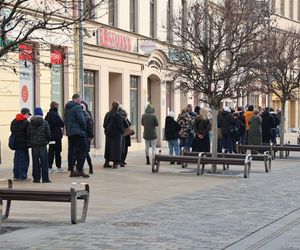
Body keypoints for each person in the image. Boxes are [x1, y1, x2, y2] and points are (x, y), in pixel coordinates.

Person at [64, 94, 89, 178]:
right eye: (80, 99)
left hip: (70, 132)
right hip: (78, 132)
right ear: (77, 99)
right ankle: (80, 169)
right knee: (83, 150)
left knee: (71, 151)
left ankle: (72, 170)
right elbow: (82, 120)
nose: (80, 101)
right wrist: (84, 129)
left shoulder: (67, 108)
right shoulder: (77, 107)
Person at [28, 107, 51, 183]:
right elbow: (48, 134)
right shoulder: (45, 122)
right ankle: (45, 179)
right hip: (42, 145)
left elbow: (28, 134)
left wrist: (31, 141)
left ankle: (36, 179)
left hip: (34, 145)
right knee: (44, 162)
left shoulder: (30, 123)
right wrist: (47, 141)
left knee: (35, 162)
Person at [10, 108, 31, 182]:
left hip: (16, 144)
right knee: (24, 160)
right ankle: (23, 177)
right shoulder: (26, 122)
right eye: (28, 115)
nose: (28, 116)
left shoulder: (14, 121)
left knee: (16, 160)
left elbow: (12, 131)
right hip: (23, 144)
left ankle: (16, 176)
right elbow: (28, 134)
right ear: (25, 114)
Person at [103, 101, 124, 168]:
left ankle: (106, 162)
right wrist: (123, 131)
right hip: (116, 135)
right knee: (116, 149)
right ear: (118, 107)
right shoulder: (118, 115)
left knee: (108, 148)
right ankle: (115, 164)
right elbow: (120, 126)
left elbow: (104, 125)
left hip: (108, 134)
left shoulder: (107, 114)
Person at [45, 101, 64, 173]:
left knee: (51, 151)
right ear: (55, 106)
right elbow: (61, 124)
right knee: (58, 151)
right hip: (57, 136)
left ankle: (49, 167)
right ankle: (58, 167)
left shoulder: (48, 114)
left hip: (50, 136)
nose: (58, 107)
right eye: (58, 106)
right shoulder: (55, 114)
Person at [81, 101, 94, 174]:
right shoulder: (86, 115)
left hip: (85, 137)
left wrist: (90, 136)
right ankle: (81, 168)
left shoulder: (87, 116)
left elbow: (90, 127)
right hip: (83, 137)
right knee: (83, 153)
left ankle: (90, 167)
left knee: (85, 153)